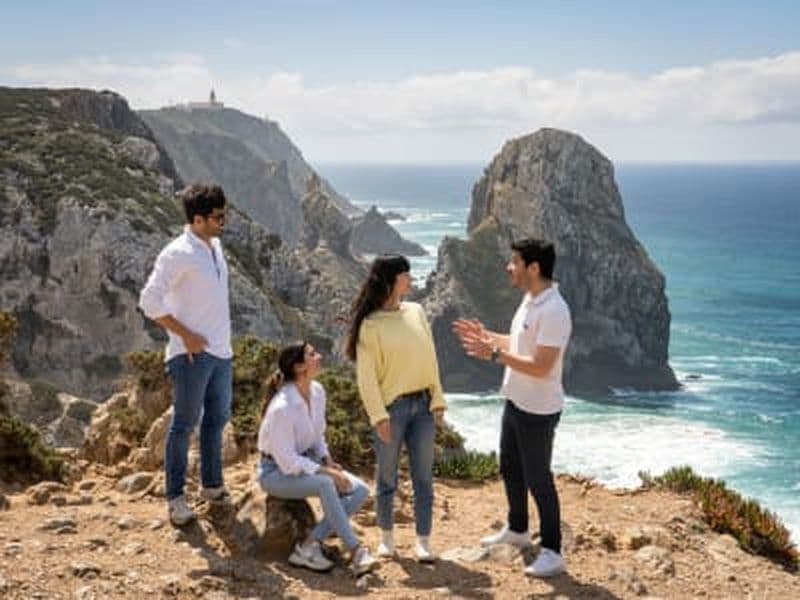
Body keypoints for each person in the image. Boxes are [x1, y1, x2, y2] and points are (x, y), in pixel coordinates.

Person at [452, 238, 572, 578]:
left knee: (539, 479)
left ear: (534, 268)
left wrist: (492, 354)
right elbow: (518, 344)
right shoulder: (531, 300)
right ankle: (518, 529)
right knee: (510, 467)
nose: (509, 267)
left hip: (539, 408)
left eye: (515, 262)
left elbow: (541, 366)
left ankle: (553, 550)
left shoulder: (554, 310)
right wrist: (488, 337)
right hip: (516, 400)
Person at [139, 184, 233, 526]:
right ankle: (175, 497)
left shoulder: (216, 245)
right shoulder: (177, 253)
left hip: (222, 353)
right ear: (197, 219)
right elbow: (149, 302)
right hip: (191, 355)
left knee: (217, 420)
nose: (225, 221)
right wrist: (187, 337)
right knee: (183, 425)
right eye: (218, 217)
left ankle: (211, 486)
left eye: (225, 214)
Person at [345, 254, 447, 562]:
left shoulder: (416, 311)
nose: (411, 279)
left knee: (423, 478)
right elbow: (366, 377)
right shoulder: (370, 325)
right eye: (406, 275)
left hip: (424, 407)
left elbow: (431, 358)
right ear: (391, 280)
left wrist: (438, 400)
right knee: (387, 477)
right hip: (393, 410)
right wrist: (379, 416)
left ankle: (423, 542)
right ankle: (386, 539)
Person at [257, 342, 377, 576]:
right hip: (274, 473)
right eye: (312, 354)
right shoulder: (282, 407)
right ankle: (356, 550)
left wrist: (327, 460)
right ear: (299, 367)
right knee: (326, 483)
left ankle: (309, 545)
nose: (319, 356)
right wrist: (326, 472)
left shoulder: (317, 391)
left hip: (306, 460)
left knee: (360, 490)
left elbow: (317, 434)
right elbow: (288, 463)